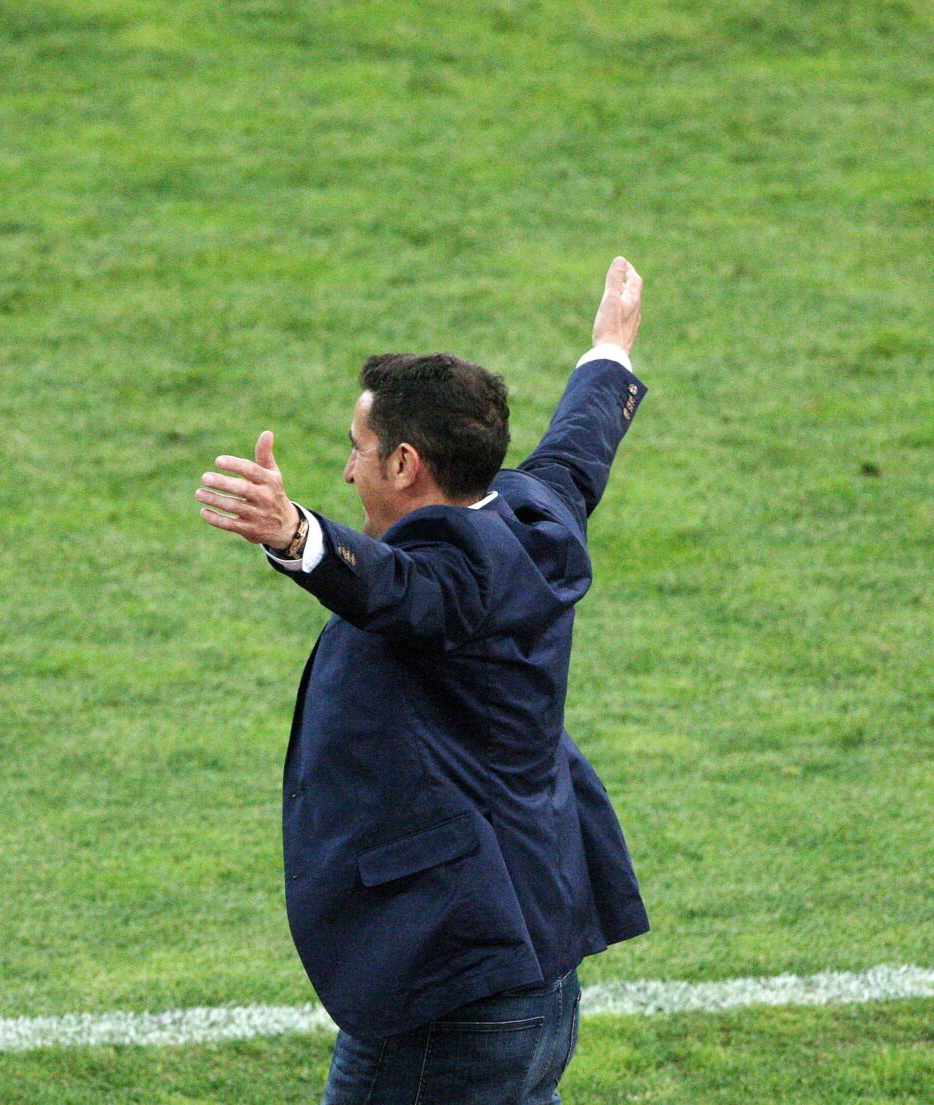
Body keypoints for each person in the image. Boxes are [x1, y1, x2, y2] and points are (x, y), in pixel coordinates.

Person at [195, 258, 652, 1104]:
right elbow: (579, 450)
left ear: (405, 463)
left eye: (357, 448)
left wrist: (295, 534)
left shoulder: (452, 580)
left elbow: (391, 587)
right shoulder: (534, 512)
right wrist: (608, 353)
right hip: (533, 960)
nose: (347, 471)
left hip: (454, 985)